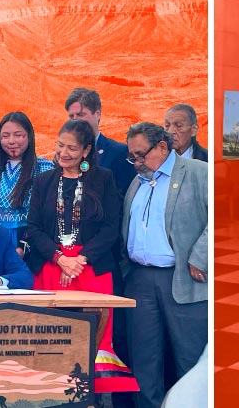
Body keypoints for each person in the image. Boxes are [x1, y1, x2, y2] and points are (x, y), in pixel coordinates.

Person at [26, 120, 138, 394]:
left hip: (92, 272)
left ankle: (90, 398)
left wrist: (80, 260)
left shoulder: (104, 179)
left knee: (91, 339)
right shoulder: (44, 180)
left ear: (86, 151)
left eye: (72, 148)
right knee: (51, 338)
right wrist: (60, 258)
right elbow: (33, 228)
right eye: (60, 145)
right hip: (52, 270)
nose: (63, 152)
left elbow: (112, 228)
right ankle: (49, 395)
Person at [121, 123, 207, 408]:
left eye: (140, 155)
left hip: (184, 278)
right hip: (140, 280)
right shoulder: (138, 181)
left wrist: (200, 257)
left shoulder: (197, 173)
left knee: (189, 357)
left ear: (161, 146)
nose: (136, 163)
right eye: (132, 157)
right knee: (144, 359)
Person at [0, 112, 52, 254]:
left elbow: (50, 213)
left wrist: (25, 244)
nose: (11, 141)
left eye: (18, 135)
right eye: (5, 136)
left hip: (31, 242)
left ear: (29, 136)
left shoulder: (45, 167)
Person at [65, 88, 136, 195]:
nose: (75, 120)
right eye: (71, 116)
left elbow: (127, 197)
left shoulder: (119, 152)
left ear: (97, 114)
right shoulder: (63, 154)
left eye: (80, 115)